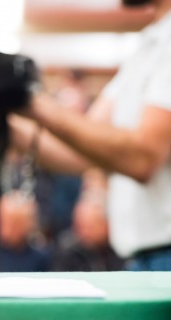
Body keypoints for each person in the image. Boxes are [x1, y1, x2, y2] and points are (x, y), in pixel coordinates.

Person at [9, 0, 171, 271]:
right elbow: (79, 150)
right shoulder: (149, 46)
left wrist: (29, 99)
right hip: (145, 259)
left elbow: (143, 157)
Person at [51, 170, 124, 271]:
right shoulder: (67, 251)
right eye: (79, 226)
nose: (84, 233)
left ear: (107, 225)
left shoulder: (122, 250)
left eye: (90, 227)